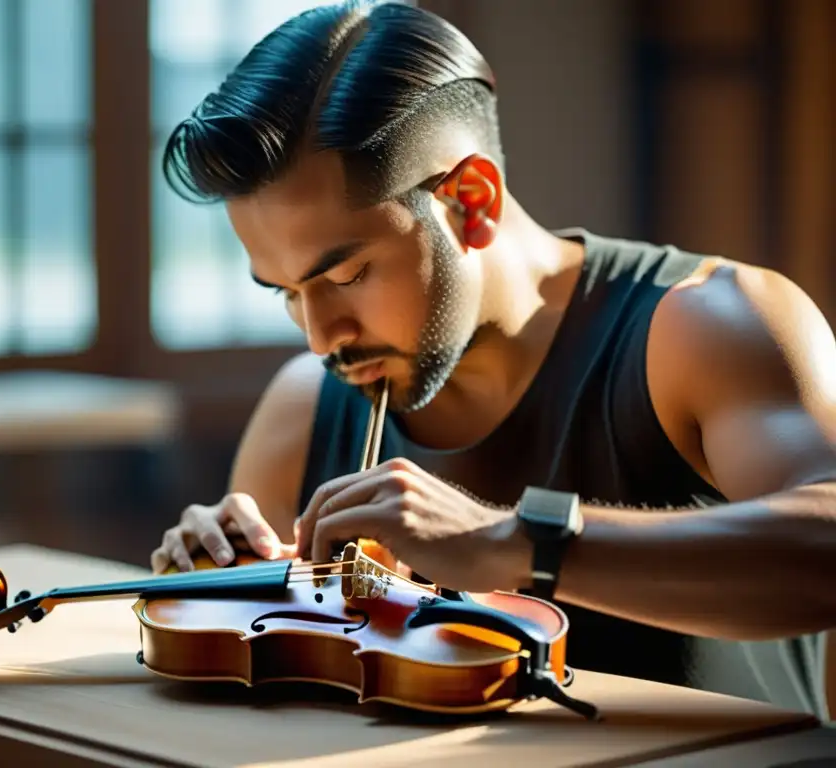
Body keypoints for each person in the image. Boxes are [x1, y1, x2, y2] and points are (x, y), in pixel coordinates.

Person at [150, 0, 836, 715]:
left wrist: (512, 542)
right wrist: (216, 588)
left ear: (472, 203)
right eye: (285, 292)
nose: (322, 337)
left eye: (346, 276)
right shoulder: (303, 407)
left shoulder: (702, 327)